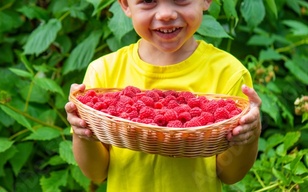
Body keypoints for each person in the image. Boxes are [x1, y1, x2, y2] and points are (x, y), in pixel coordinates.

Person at [64, 0, 262, 191]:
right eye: (148, 0)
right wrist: (83, 134)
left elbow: (230, 174)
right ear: (125, 4)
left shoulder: (228, 73)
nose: (166, 14)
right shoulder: (103, 72)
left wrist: (249, 135)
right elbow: (96, 172)